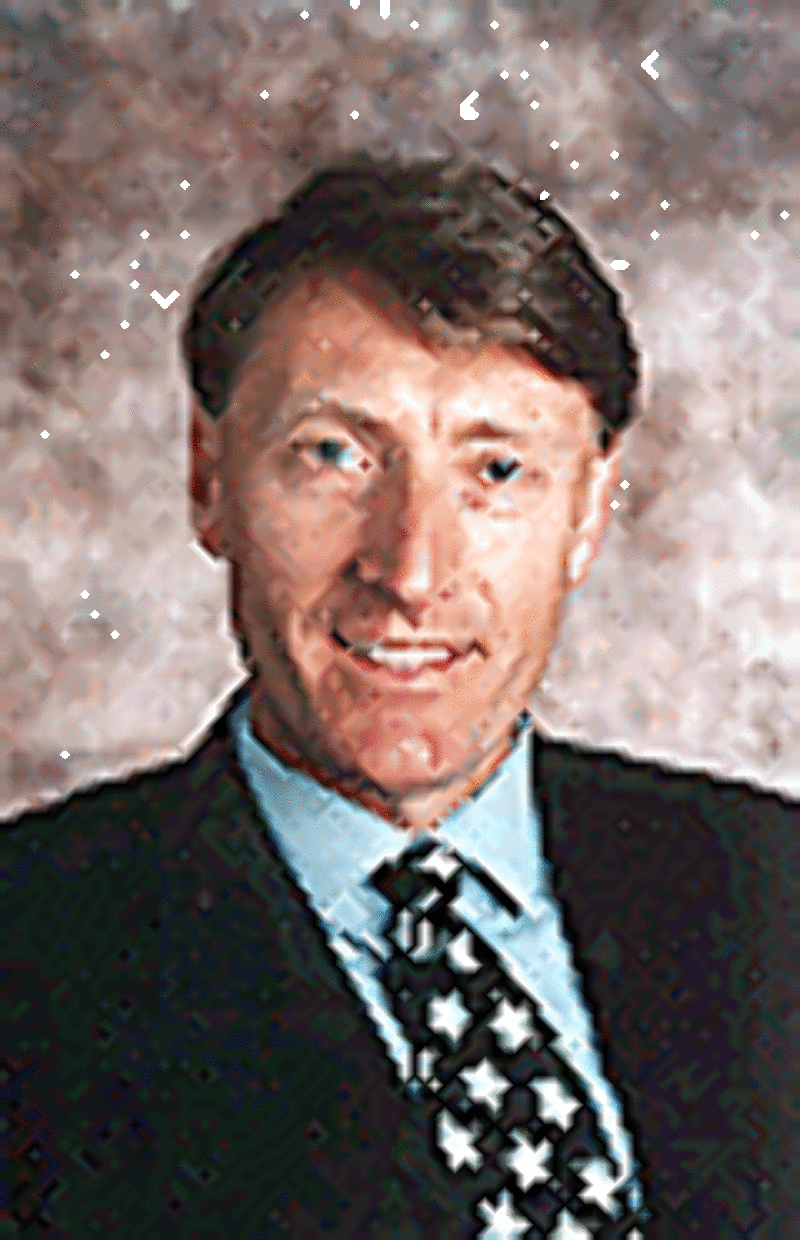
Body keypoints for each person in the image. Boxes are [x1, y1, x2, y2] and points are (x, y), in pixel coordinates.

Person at [2, 154, 786, 1239]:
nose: (411, 569)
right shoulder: (31, 952)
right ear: (208, 479)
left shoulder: (769, 887)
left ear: (589, 511)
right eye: (333, 455)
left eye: (496, 471)